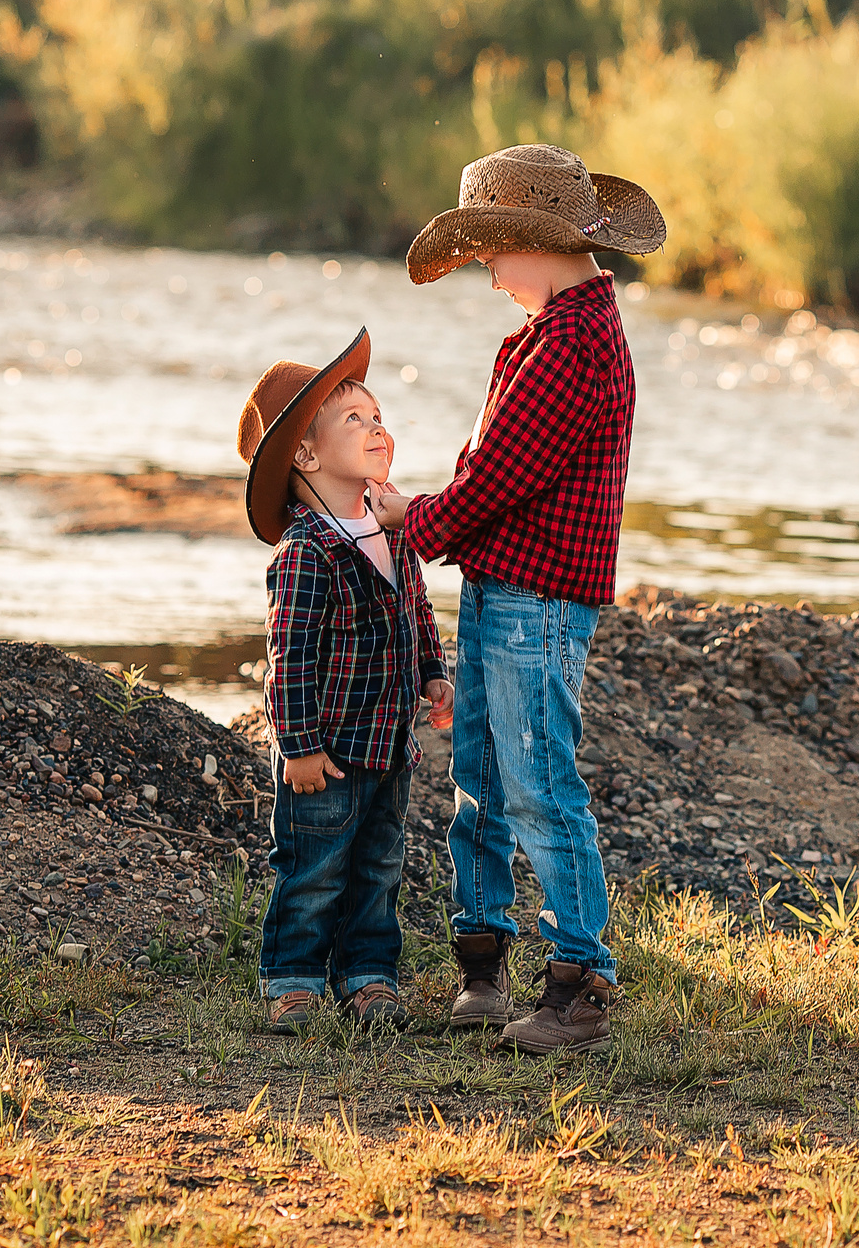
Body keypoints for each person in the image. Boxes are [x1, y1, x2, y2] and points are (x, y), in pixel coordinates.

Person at [371, 143, 666, 1054]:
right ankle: (483, 964)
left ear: (536, 243)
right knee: (484, 777)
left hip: (536, 599)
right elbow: (500, 476)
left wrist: (407, 523)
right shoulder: (556, 332)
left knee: (538, 783)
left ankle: (579, 983)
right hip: (509, 586)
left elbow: (497, 477)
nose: (490, 273)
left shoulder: (572, 345)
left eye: (493, 253)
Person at [239, 329, 452, 1035]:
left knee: (378, 868)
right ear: (304, 452)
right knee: (313, 867)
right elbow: (290, 654)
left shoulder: (391, 524)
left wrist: (431, 673)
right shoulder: (307, 548)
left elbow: (414, 606)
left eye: (378, 413)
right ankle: (293, 976)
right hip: (323, 755)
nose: (376, 426)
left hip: (389, 746)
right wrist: (296, 745)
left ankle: (368, 975)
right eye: (354, 418)